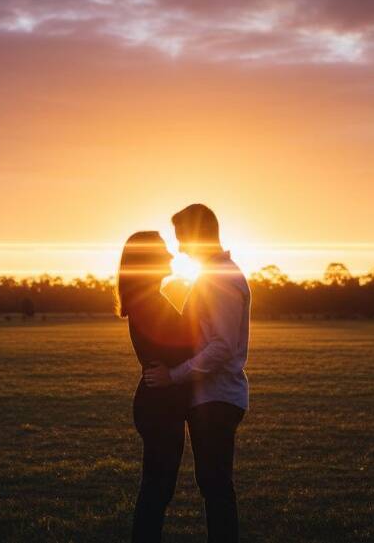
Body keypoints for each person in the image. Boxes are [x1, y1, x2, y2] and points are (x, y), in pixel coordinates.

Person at [144, 204, 251, 543]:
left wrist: (173, 375)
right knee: (213, 486)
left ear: (196, 236)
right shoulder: (213, 275)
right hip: (211, 398)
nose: (179, 248)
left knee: (216, 487)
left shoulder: (220, 278)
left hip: (217, 399)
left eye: (181, 239)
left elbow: (221, 348)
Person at [116, 231, 198, 543]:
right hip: (158, 406)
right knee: (156, 492)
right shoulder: (147, 302)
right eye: (162, 251)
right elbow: (184, 347)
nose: (170, 256)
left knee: (158, 490)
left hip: (160, 403)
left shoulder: (149, 298)